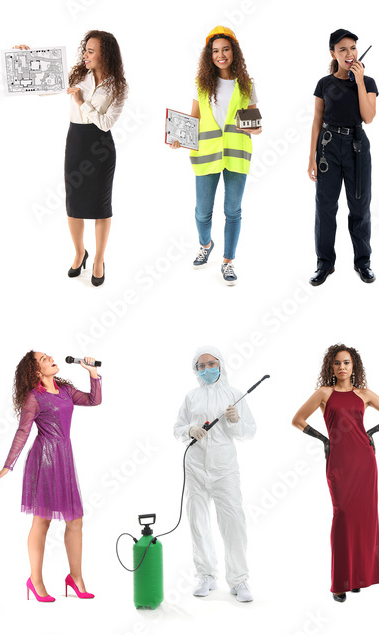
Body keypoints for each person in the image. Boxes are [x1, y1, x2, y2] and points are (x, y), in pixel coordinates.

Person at [13, 32, 127, 286]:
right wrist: (26, 57)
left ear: (105, 54)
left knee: (101, 206)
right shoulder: (78, 75)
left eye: (91, 51)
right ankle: (79, 253)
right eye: (85, 50)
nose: (85, 55)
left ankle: (98, 260)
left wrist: (81, 101)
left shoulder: (118, 85)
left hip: (100, 146)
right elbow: (45, 87)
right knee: (73, 203)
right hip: (76, 141)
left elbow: (106, 123)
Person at [0, 352, 102, 602]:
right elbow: (23, 432)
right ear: (35, 371)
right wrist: (7, 466)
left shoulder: (65, 390)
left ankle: (76, 578)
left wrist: (92, 373)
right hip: (45, 459)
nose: (51, 357)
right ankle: (35, 581)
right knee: (42, 521)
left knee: (75, 521)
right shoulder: (33, 397)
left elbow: (94, 401)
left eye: (48, 355)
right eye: (43, 358)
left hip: (65, 456)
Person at [292, 344, 379, 601]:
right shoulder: (324, 393)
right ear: (331, 366)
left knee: (364, 519)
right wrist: (324, 440)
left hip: (364, 461)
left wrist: (372, 432)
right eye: (337, 363)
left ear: (354, 367)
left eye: (347, 363)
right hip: (339, 461)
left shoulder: (364, 394)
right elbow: (298, 420)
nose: (342, 367)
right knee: (342, 516)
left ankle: (358, 578)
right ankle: (340, 582)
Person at [170, 26, 261, 286]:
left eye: (225, 49)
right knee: (202, 212)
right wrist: (180, 138)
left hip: (236, 153)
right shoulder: (201, 84)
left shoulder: (247, 85)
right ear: (209, 55)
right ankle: (205, 244)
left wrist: (254, 126)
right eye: (215, 51)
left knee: (233, 211)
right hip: (206, 153)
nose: (221, 55)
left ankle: (228, 261)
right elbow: (195, 119)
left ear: (234, 52)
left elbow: (254, 122)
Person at [172, 346, 256, 602]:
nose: (208, 369)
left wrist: (235, 419)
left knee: (233, 523)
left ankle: (239, 580)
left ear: (221, 364)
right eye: (202, 365)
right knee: (197, 521)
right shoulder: (191, 397)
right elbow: (177, 428)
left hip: (224, 469)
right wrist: (190, 430)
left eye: (212, 364)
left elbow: (248, 432)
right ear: (195, 370)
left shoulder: (234, 394)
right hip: (195, 467)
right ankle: (206, 575)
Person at [308, 29, 378, 286]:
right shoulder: (324, 84)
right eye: (343, 49)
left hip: (356, 146)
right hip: (327, 147)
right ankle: (324, 264)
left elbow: (368, 117)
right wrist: (312, 156)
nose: (349, 54)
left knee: (360, 207)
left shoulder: (368, 82)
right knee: (325, 207)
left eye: (353, 48)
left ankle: (363, 262)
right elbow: (317, 120)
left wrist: (358, 81)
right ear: (333, 53)